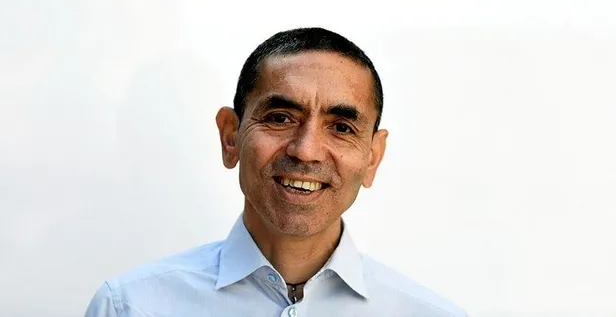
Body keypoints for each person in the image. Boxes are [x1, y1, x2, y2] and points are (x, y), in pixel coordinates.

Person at [84, 27, 467, 317]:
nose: (306, 150)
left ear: (372, 157)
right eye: (280, 118)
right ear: (230, 137)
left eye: (341, 127)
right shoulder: (131, 307)